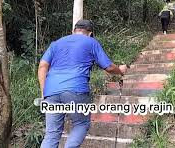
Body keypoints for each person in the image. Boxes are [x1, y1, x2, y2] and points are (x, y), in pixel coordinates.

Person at [38, 19, 127, 148]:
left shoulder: (56, 44)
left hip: (51, 92)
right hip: (75, 89)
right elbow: (108, 67)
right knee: (81, 124)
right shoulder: (91, 42)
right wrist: (120, 70)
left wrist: (44, 91)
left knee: (51, 133)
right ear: (90, 33)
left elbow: (42, 66)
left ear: (73, 31)